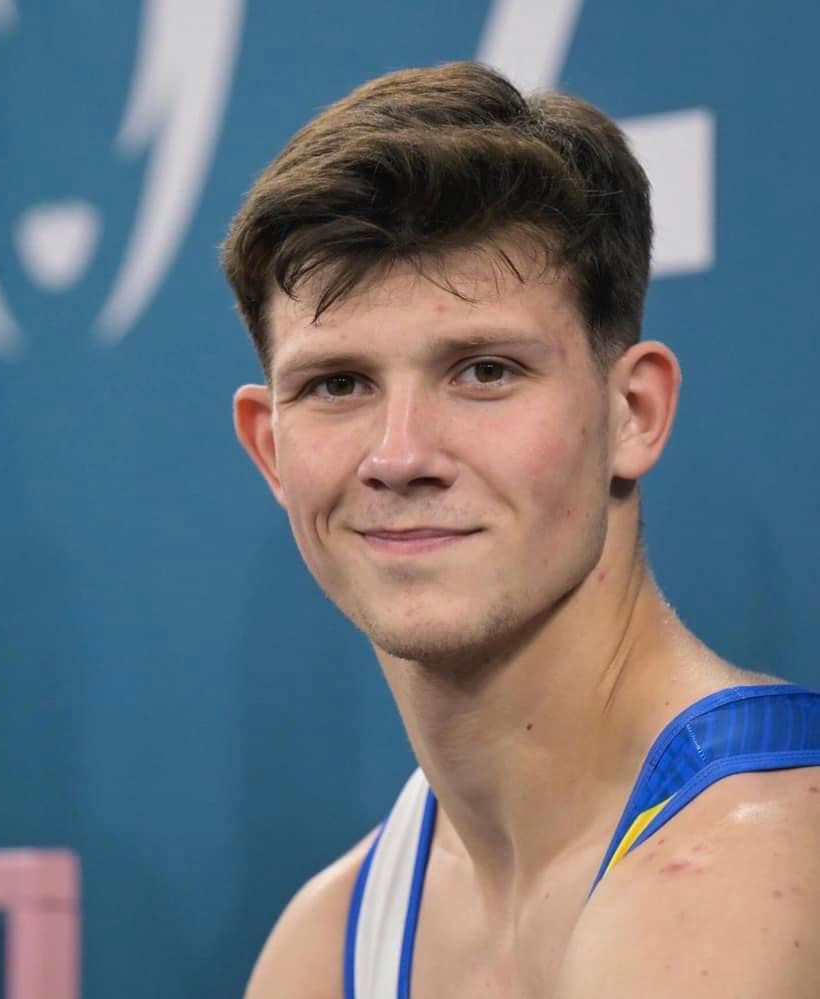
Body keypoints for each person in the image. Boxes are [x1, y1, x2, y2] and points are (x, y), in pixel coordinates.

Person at [221, 61, 820, 998]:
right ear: (270, 447)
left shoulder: (759, 868)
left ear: (633, 411)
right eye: (338, 384)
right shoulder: (326, 942)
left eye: (485, 370)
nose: (400, 455)